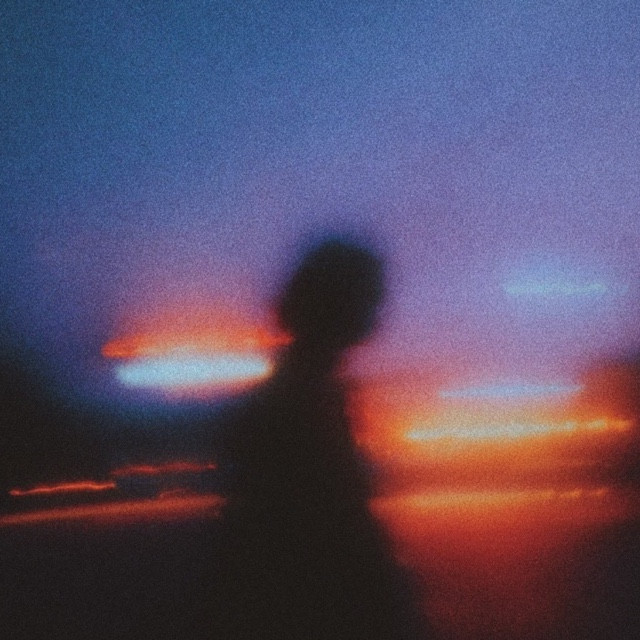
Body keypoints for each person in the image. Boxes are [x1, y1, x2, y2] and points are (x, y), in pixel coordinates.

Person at [210, 238, 425, 639]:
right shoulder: (303, 398)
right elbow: (325, 524)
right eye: (368, 297)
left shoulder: (298, 389)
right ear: (338, 304)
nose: (377, 311)